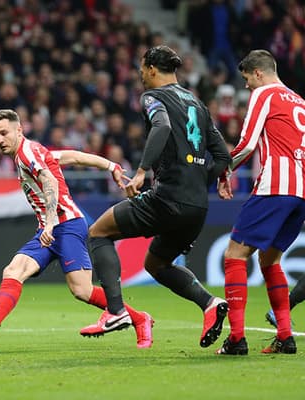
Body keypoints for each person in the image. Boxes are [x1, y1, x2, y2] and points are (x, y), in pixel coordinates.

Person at [0, 109, 155, 348]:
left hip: (66, 225)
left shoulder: (27, 153)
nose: (0, 140)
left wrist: (49, 223)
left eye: (4, 133)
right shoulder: (32, 151)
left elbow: (49, 182)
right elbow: (73, 157)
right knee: (14, 270)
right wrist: (110, 165)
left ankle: (140, 319)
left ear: (19, 130)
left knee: (82, 290)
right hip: (51, 227)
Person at [82, 46, 232, 349]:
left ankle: (115, 312)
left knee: (98, 232)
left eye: (141, 69)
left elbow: (161, 125)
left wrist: (141, 171)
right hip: (197, 205)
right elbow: (223, 155)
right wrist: (204, 175)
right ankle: (210, 303)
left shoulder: (153, 97)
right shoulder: (197, 103)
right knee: (158, 263)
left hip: (167, 197)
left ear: (151, 69)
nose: (139, 75)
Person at [217, 49, 305, 355]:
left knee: (234, 255)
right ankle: (285, 335)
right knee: (269, 260)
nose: (246, 88)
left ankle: (237, 339)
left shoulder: (265, 94)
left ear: (258, 73)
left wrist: (224, 170)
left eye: (246, 80)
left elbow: (247, 142)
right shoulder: (300, 101)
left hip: (275, 186)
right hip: (300, 192)